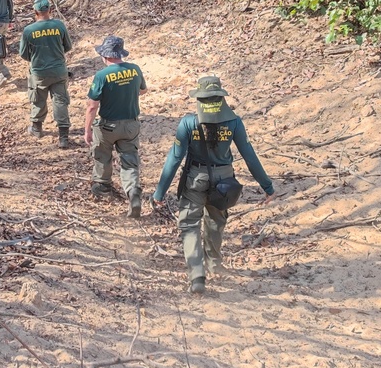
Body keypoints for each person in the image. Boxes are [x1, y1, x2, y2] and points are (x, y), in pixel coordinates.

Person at [151, 75, 275, 295]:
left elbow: (175, 157)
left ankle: (197, 274)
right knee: (216, 221)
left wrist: (160, 191)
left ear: (199, 98)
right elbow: (249, 155)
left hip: (195, 180)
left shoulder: (188, 123)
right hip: (225, 181)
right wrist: (267, 186)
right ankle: (214, 264)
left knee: (189, 225)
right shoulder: (234, 122)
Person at [83, 37, 147, 218]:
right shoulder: (135, 70)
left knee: (102, 153)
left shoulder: (102, 76)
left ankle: (103, 186)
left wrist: (87, 129)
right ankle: (133, 191)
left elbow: (92, 106)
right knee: (129, 159)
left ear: (105, 55)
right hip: (131, 125)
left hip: (108, 126)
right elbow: (143, 90)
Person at [19, 0, 73, 148]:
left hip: (39, 72)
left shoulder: (29, 30)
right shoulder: (59, 25)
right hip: (59, 71)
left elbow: (23, 54)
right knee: (60, 101)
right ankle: (63, 137)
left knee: (38, 99)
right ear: (50, 10)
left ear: (35, 12)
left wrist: (37, 58)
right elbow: (67, 46)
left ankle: (36, 128)